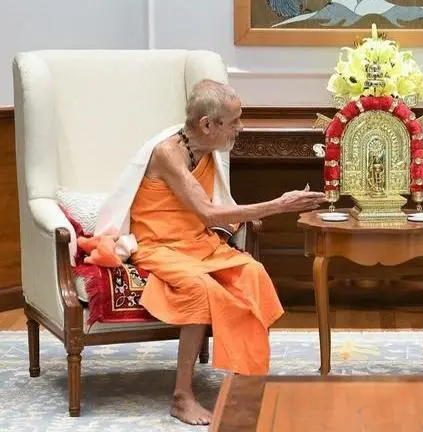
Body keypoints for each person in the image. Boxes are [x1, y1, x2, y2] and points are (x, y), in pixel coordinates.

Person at [94, 79, 327, 425]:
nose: (241, 128)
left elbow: (206, 220)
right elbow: (209, 213)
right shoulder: (168, 153)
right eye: (234, 122)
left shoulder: (206, 148)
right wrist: (278, 205)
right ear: (207, 125)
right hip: (160, 247)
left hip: (198, 242)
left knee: (253, 273)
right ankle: (182, 396)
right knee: (199, 288)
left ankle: (250, 381)